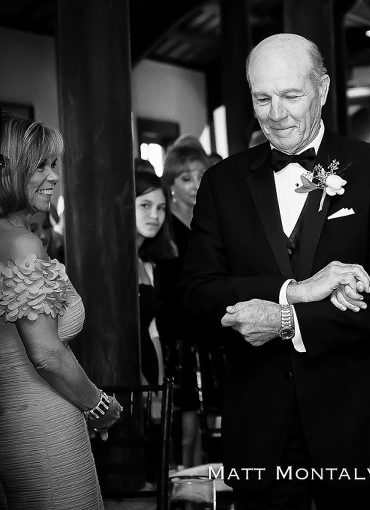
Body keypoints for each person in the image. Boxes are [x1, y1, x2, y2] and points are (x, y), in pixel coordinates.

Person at [181, 33, 370, 509]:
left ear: (323, 89)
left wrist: (289, 322)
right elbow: (196, 296)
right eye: (261, 98)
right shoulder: (222, 183)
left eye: (291, 96)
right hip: (259, 423)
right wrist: (294, 292)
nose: (275, 113)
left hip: (354, 419)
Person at [0, 113, 122, 509]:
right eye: (39, 166)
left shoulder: (16, 238)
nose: (53, 176)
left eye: (54, 164)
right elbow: (47, 355)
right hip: (43, 428)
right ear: (9, 169)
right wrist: (98, 405)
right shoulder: (21, 245)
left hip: (18, 421)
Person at [156, 143, 211, 468]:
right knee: (182, 429)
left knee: (201, 428)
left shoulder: (204, 221)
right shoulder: (165, 229)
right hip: (175, 336)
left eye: (201, 176)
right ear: (171, 184)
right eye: (186, 178)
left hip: (203, 333)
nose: (195, 186)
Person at [134, 172, 177, 387]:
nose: (154, 215)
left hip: (149, 372)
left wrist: (158, 382)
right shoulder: (114, 265)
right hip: (126, 375)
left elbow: (153, 330)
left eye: (161, 208)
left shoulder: (147, 263)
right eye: (145, 205)